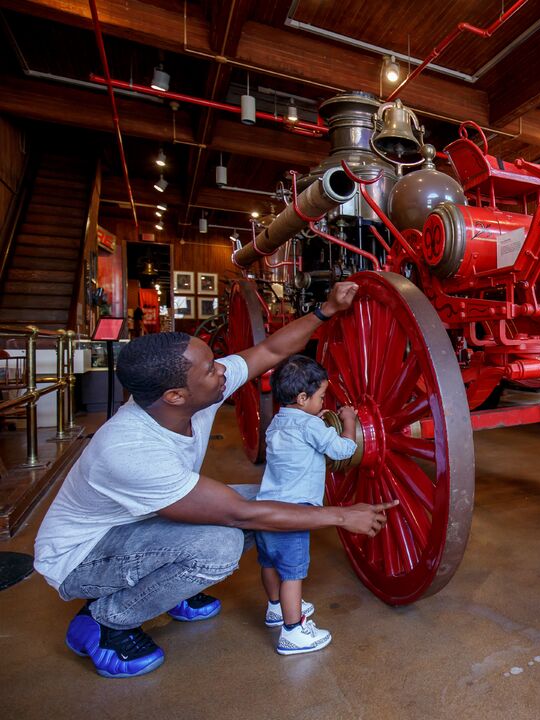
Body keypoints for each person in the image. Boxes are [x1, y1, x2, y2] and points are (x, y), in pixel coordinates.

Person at [33, 282, 397, 679]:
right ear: (174, 395)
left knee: (269, 498)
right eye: (210, 368)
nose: (222, 368)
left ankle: (169, 588)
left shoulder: (195, 396)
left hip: (138, 522)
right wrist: (343, 516)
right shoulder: (130, 448)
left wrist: (325, 310)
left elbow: (270, 351)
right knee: (221, 545)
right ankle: (106, 620)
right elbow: (240, 515)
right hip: (82, 555)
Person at [256, 355, 358, 655]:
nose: (322, 401)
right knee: (293, 574)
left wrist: (316, 417)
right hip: (296, 514)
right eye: (321, 397)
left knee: (269, 564)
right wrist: (348, 422)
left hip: (267, 509)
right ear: (302, 398)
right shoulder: (311, 427)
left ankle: (275, 608)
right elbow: (343, 450)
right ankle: (293, 632)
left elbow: (301, 432)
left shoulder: (278, 421)